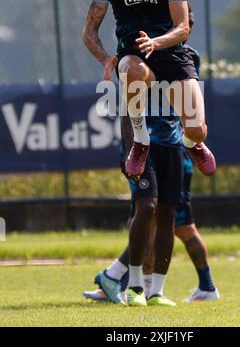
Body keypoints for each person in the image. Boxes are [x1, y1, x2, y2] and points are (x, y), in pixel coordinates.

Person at [83, 0, 216, 182]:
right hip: (136, 56)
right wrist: (106, 58)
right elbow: (89, 32)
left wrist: (156, 42)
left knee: (197, 129)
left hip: (172, 54)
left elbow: (183, 27)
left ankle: (191, 143)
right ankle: (141, 141)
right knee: (129, 68)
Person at [83, 45, 219, 305]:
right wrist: (129, 147)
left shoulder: (188, 59)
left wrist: (193, 142)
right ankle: (129, 284)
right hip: (144, 149)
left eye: (186, 21)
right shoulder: (135, 59)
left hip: (174, 149)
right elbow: (127, 106)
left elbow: (189, 110)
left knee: (165, 220)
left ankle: (133, 283)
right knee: (146, 213)